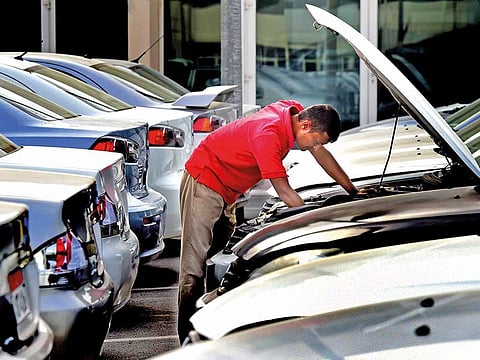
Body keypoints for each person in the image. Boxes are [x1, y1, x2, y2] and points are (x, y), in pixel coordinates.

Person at [177, 99, 359, 343]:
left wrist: (353, 191)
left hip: (228, 189)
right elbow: (285, 193)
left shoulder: (293, 110)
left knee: (216, 256)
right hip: (205, 181)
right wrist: (317, 224)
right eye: (316, 140)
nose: (313, 147)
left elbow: (320, 153)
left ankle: (211, 320)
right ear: (305, 126)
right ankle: (188, 343)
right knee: (193, 268)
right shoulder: (268, 135)